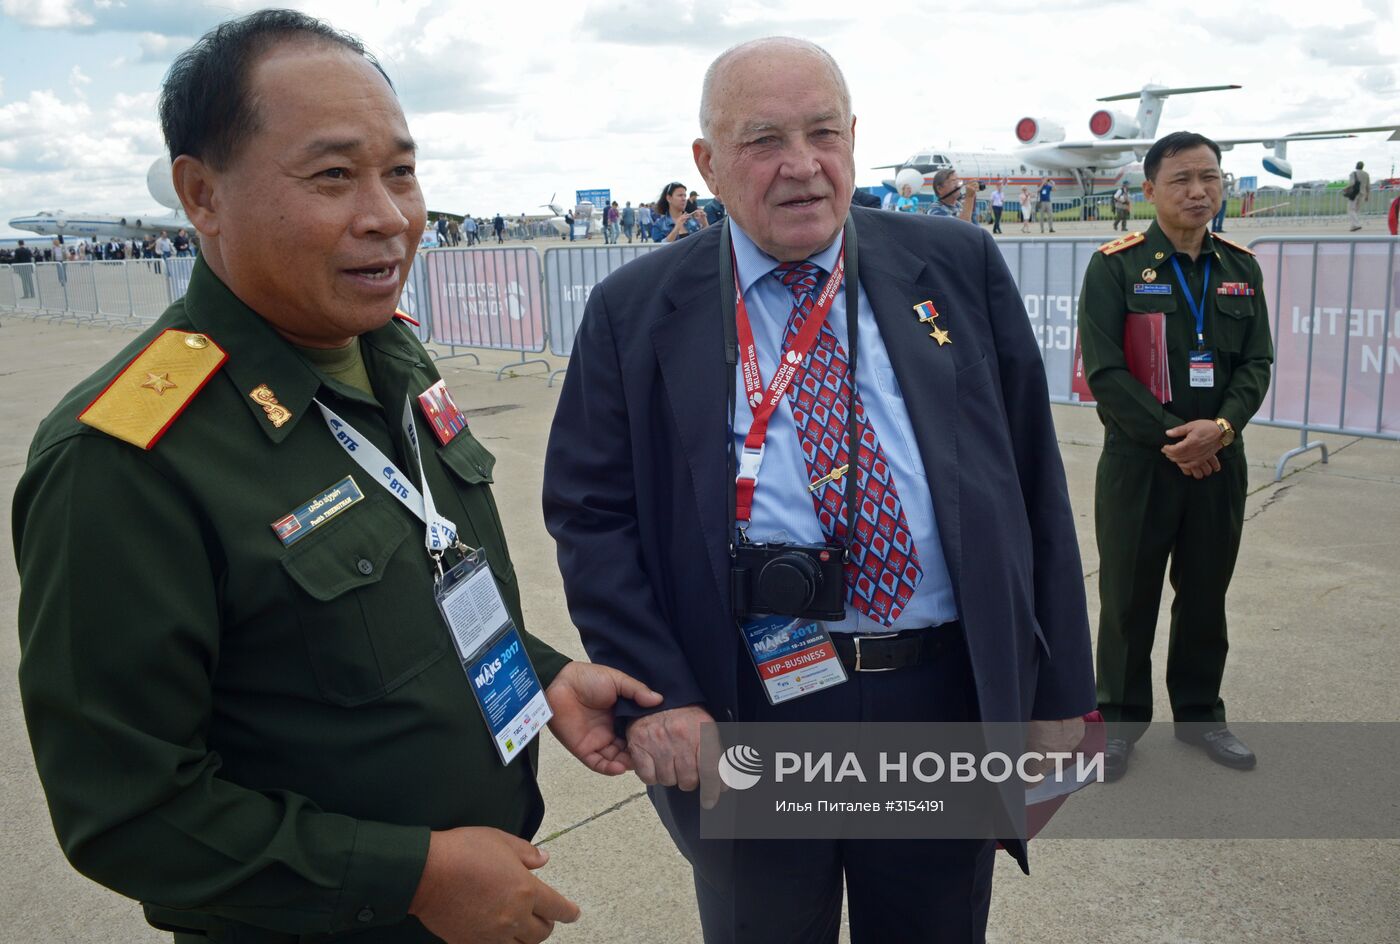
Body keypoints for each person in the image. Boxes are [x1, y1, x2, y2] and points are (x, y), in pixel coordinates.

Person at [13, 12, 663, 944]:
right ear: (202, 195)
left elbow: (412, 583)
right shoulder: (123, 458)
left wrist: (543, 675)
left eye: (400, 171)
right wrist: (417, 877)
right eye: (332, 176)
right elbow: (126, 810)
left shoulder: (390, 357)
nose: (389, 215)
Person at [543, 36, 1093, 943]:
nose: (802, 167)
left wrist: (1058, 689)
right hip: (748, 699)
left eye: (823, 134)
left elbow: (1034, 480)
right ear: (707, 163)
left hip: (938, 696)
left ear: (853, 139)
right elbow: (593, 517)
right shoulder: (637, 309)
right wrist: (665, 693)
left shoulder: (955, 267)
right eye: (763, 141)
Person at [1077, 131, 1274, 782]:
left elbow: (1257, 363)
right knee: (1128, 599)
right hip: (1140, 466)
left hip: (1220, 461)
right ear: (1150, 190)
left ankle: (1201, 716)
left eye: (1210, 178)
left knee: (1206, 594)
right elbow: (1105, 375)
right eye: (1183, 179)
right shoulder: (1117, 266)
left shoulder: (1240, 267)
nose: (1199, 191)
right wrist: (1177, 440)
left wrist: (1219, 429)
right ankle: (1118, 722)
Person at [1346, 160, 1370, 231]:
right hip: (1362, 194)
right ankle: (1353, 226)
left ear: (1356, 166)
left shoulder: (1353, 173)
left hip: (1354, 194)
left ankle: (1357, 224)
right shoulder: (1366, 174)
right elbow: (1368, 186)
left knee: (1350, 209)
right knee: (1356, 210)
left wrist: (1345, 188)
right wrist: (1367, 195)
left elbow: (1352, 183)